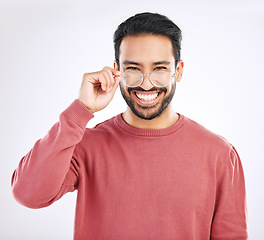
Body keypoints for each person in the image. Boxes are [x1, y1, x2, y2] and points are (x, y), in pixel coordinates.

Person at [11, 12, 248, 239]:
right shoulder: (85, 143)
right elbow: (27, 194)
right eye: (133, 69)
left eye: (159, 68)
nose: (146, 84)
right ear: (117, 70)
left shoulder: (219, 153)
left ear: (178, 70)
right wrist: (81, 110)